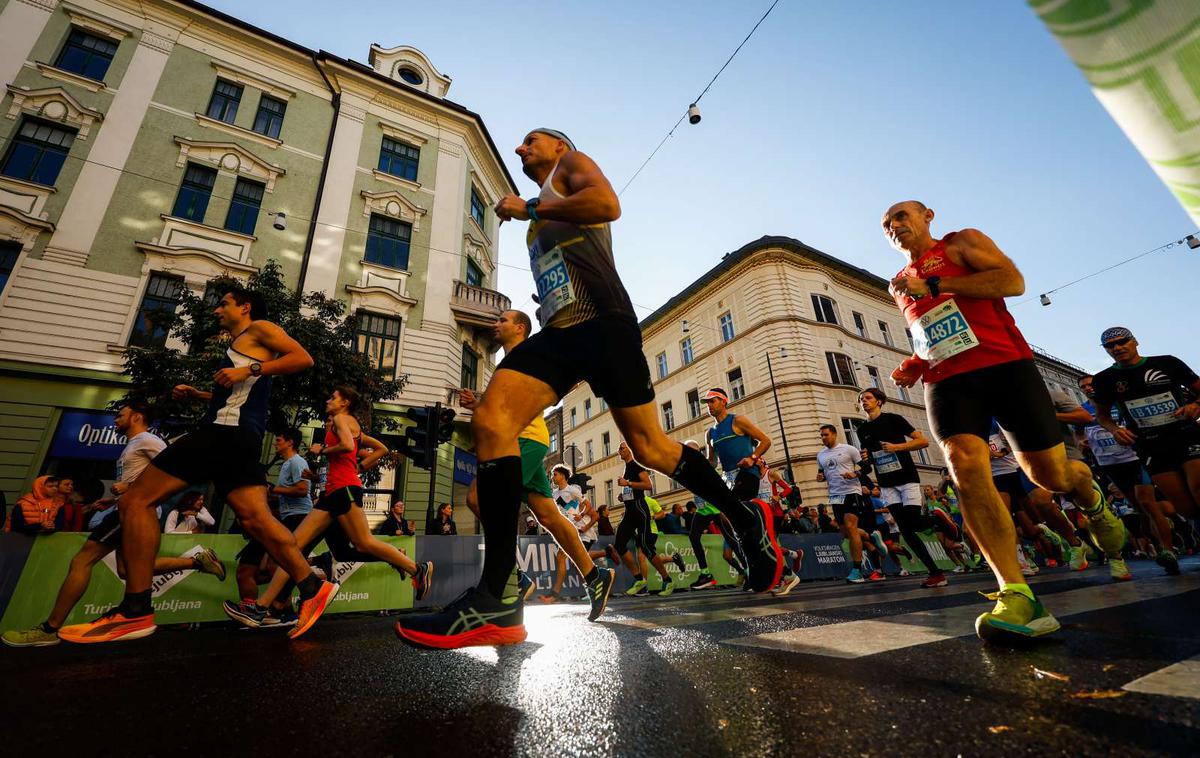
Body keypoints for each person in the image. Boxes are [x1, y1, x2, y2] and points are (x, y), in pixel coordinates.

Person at [395, 129, 781, 649]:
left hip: (603, 325)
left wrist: (531, 206)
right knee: (491, 420)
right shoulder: (547, 204)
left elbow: (608, 204)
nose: (519, 149)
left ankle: (742, 517)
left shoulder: (570, 167)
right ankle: (499, 596)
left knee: (651, 449)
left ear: (558, 144)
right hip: (561, 331)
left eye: (531, 140)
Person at [882, 200, 1127, 642]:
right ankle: (1016, 594)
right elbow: (931, 328)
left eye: (901, 216)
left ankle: (1089, 496)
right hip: (946, 378)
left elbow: (1011, 282)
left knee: (1049, 477)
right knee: (962, 463)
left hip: (1005, 366)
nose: (894, 226)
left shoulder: (962, 243)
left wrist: (936, 282)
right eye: (886, 225)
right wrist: (916, 362)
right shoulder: (897, 283)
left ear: (927, 217)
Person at [72, 287, 336, 644]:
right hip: (240, 436)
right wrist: (201, 395)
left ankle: (135, 609)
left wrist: (250, 369)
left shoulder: (258, 329)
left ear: (244, 307)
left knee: (136, 501)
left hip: (223, 433)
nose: (216, 311)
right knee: (255, 519)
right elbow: (244, 392)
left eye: (224, 304)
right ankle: (311, 586)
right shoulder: (240, 344)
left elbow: (303, 358)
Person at [3, 402, 225, 648]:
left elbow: (175, 472)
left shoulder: (148, 441)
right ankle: (197, 561)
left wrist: (129, 489)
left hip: (134, 512)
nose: (115, 420)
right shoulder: (133, 444)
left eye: (120, 415)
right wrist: (111, 499)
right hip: (125, 509)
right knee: (127, 571)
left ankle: (49, 628)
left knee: (82, 560)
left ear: (137, 417)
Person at [224, 386, 432, 632]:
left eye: (332, 397)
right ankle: (261, 608)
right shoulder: (352, 425)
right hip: (334, 492)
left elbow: (346, 445)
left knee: (362, 542)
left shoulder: (343, 420)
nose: (328, 400)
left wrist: (323, 451)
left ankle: (417, 569)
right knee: (292, 548)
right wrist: (360, 466)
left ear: (344, 402)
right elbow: (381, 450)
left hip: (342, 490)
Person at [459, 309, 614, 621]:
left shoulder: (528, 354)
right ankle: (595, 578)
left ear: (520, 328)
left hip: (524, 440)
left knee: (478, 498)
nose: (495, 324)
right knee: (548, 516)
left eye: (502, 320)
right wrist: (478, 402)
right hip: (522, 439)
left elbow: (554, 385)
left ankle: (514, 576)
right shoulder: (506, 363)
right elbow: (505, 404)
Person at [1091, 328, 1200, 570]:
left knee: (1198, 485)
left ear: (1135, 341)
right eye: (1110, 346)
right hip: (1150, 444)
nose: (1117, 348)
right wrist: (1114, 429)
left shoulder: (1167, 363)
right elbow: (1102, 416)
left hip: (1186, 434)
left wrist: (1195, 405)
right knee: (1184, 506)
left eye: (1122, 342)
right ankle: (1194, 526)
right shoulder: (1104, 380)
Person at [1078, 374, 1176, 573]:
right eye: (1084, 387)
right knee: (1140, 509)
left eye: (1091, 384)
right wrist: (1081, 442)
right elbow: (1078, 432)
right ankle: (1157, 546)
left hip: (1134, 459)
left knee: (1148, 503)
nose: (1088, 389)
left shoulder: (1116, 401)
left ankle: (1168, 551)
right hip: (1109, 464)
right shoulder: (1081, 410)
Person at [856, 387, 948, 587]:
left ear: (879, 401)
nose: (864, 401)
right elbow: (871, 458)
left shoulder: (894, 419)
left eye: (868, 398)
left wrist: (897, 447)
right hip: (887, 483)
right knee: (906, 530)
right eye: (862, 399)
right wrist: (866, 460)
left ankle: (937, 519)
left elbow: (922, 441)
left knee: (913, 521)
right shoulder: (861, 430)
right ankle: (936, 573)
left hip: (906, 477)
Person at [609, 442, 685, 597]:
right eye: (619, 449)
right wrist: (623, 496)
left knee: (646, 548)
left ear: (630, 449)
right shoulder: (627, 468)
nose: (619, 451)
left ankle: (667, 580)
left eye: (622, 448)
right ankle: (639, 579)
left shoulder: (636, 465)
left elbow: (648, 485)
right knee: (619, 543)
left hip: (640, 510)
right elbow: (632, 491)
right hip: (629, 510)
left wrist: (627, 483)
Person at [816, 425, 881, 583]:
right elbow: (821, 473)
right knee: (845, 532)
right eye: (821, 436)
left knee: (851, 528)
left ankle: (857, 570)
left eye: (826, 435)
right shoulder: (820, 455)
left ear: (834, 434)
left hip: (852, 492)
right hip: (835, 495)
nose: (823, 438)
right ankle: (871, 537)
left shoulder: (849, 449)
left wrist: (855, 473)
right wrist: (820, 477)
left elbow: (867, 468)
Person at [538, 465, 601, 603]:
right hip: (568, 530)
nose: (553, 477)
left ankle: (557, 593)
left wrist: (581, 515)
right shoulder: (554, 494)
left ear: (563, 476)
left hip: (580, 531)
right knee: (564, 558)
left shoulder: (572, 490)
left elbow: (588, 505)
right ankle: (558, 593)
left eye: (555, 474)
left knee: (569, 558)